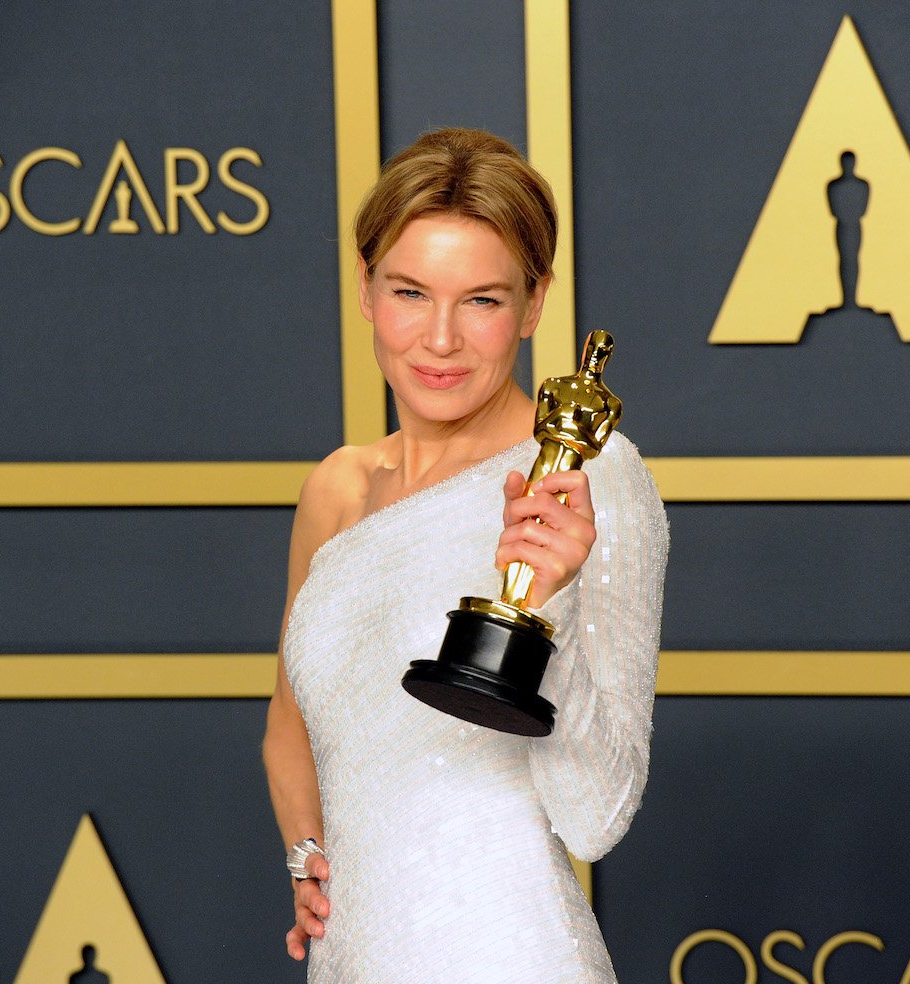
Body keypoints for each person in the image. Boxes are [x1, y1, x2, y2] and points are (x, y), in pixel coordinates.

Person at [262, 127, 668, 982]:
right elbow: (288, 730)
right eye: (411, 290)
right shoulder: (336, 489)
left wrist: (545, 611)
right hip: (355, 956)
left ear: (533, 303)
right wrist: (309, 857)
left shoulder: (588, 473)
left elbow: (600, 814)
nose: (440, 339)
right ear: (366, 288)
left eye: (481, 299)